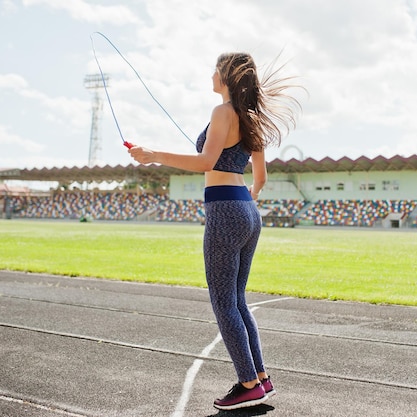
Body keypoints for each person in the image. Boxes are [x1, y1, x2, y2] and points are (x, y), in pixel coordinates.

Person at [128, 52, 301, 410]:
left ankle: (249, 383)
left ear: (226, 75)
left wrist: (153, 154)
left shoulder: (223, 113)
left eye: (215, 69)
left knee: (224, 302)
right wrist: (245, 201)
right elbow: (261, 178)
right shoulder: (251, 116)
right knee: (237, 301)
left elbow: (206, 162)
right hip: (247, 210)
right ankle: (261, 379)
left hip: (225, 209)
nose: (211, 73)